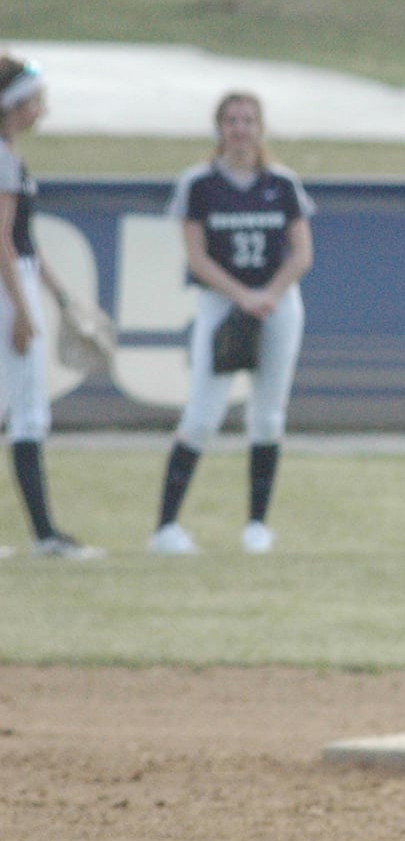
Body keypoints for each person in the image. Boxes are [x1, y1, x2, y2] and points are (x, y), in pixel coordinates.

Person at [148, 91, 314, 555]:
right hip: (222, 304)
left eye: (248, 120)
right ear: (218, 128)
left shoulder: (281, 183)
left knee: (268, 414)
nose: (240, 129)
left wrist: (269, 296)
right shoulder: (199, 184)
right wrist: (242, 296)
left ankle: (257, 524)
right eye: (231, 120)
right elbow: (197, 258)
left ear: (261, 127)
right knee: (202, 414)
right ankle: (165, 527)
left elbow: (302, 253)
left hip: (277, 303)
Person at [0, 54, 103, 559]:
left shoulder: (9, 155)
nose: (41, 109)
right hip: (6, 289)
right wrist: (22, 311)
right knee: (26, 412)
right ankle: (45, 535)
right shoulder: (2, 157)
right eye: (33, 101)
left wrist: (61, 296)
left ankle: (44, 532)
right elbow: (1, 238)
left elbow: (24, 241)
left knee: (17, 409)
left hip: (15, 282)